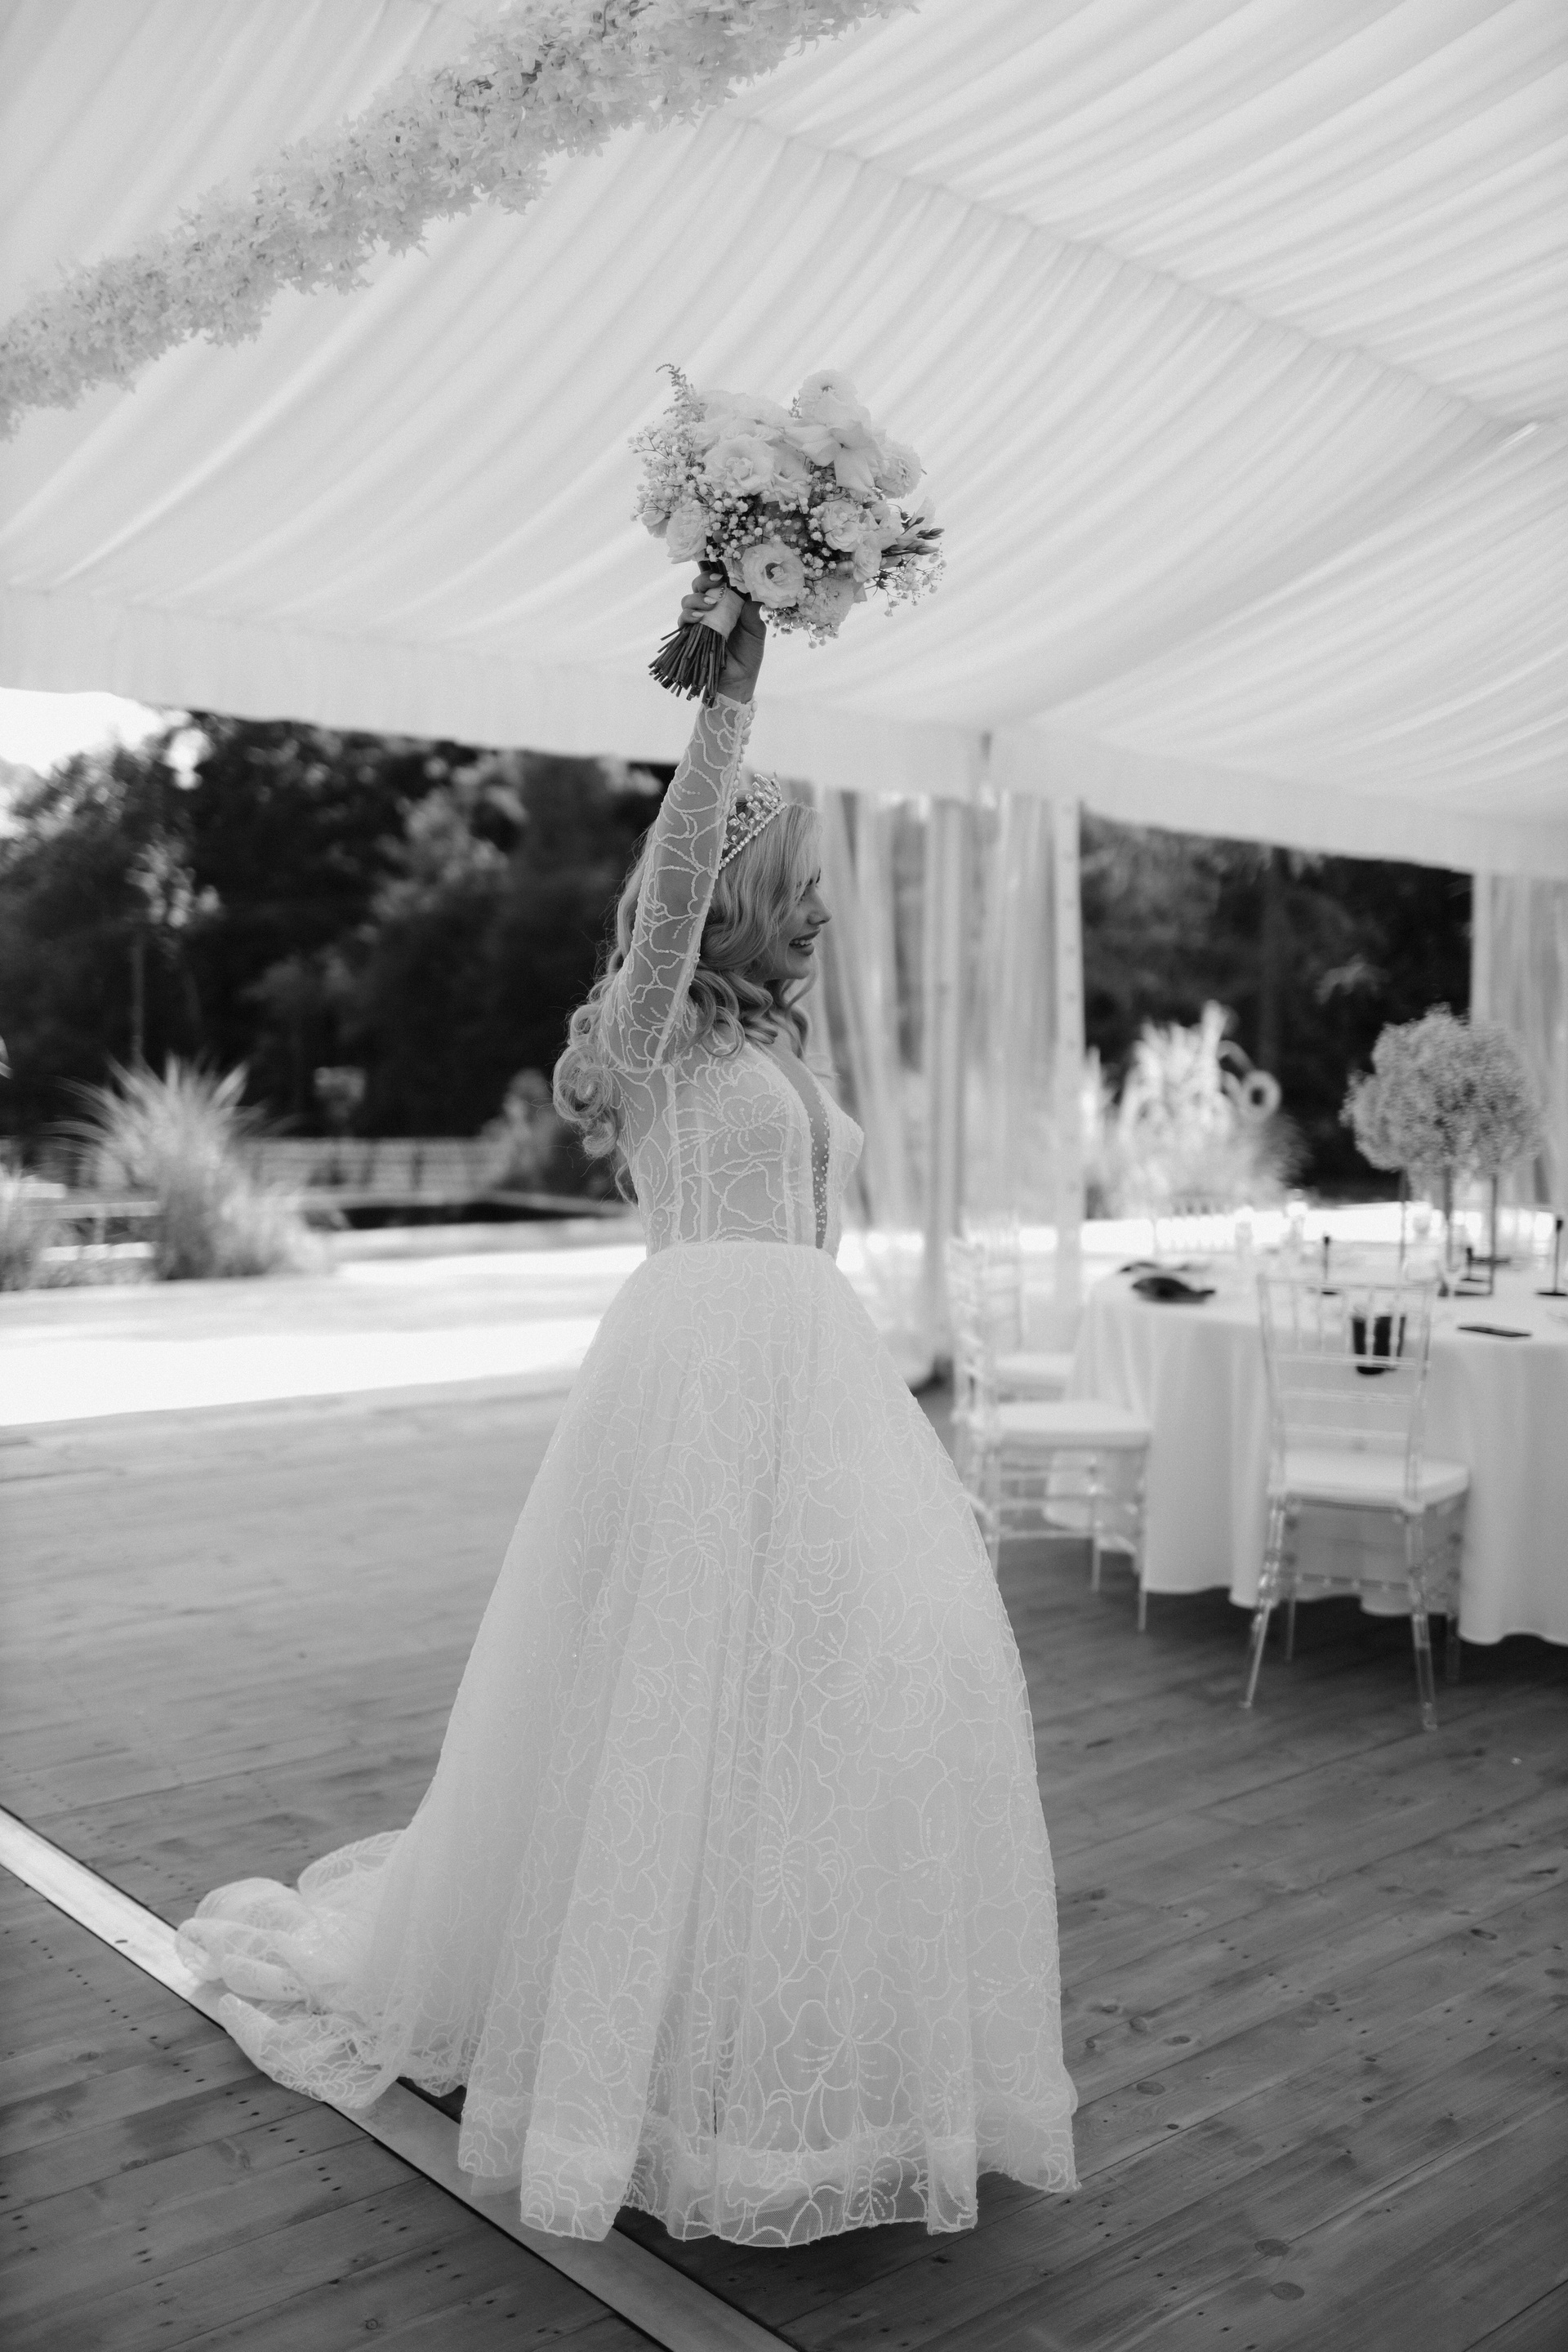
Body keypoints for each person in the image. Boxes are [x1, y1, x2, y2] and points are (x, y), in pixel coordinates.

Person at [178, 570, 1077, 2247]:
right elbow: (666, 898)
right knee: (667, 1697)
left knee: (825, 1705)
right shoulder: (652, 1034)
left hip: (817, 1393)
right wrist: (732, 696)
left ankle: (795, 2043)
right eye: (794, 888)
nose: (819, 913)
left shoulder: (787, 1049)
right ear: (730, 895)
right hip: (694, 1388)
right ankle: (621, 2055)